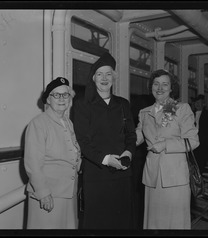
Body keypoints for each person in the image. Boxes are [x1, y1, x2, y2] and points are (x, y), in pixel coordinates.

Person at [73, 52, 137, 229]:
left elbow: (131, 135)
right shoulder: (82, 104)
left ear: (114, 78)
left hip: (123, 173)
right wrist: (106, 160)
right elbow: (83, 141)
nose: (104, 78)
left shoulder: (123, 104)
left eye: (108, 74)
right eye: (99, 74)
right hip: (96, 174)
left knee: (122, 222)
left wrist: (128, 154)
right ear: (93, 78)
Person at [135, 69, 199, 229]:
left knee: (175, 223)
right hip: (153, 177)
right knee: (154, 223)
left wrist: (165, 145)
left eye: (165, 84)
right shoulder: (144, 113)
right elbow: (136, 138)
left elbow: (193, 141)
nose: (160, 88)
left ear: (172, 88)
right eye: (156, 84)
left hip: (175, 178)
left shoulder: (180, 108)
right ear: (151, 87)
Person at [24, 77, 82, 229]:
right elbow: (33, 163)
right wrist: (43, 193)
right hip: (49, 194)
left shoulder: (68, 122)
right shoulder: (38, 123)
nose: (62, 99)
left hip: (68, 192)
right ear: (48, 100)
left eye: (65, 95)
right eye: (56, 95)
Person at [192, 94, 208, 173]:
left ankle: (202, 179)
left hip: (204, 143)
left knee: (202, 163)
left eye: (199, 102)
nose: (197, 104)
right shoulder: (190, 114)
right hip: (193, 142)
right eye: (196, 102)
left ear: (204, 104)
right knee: (194, 162)